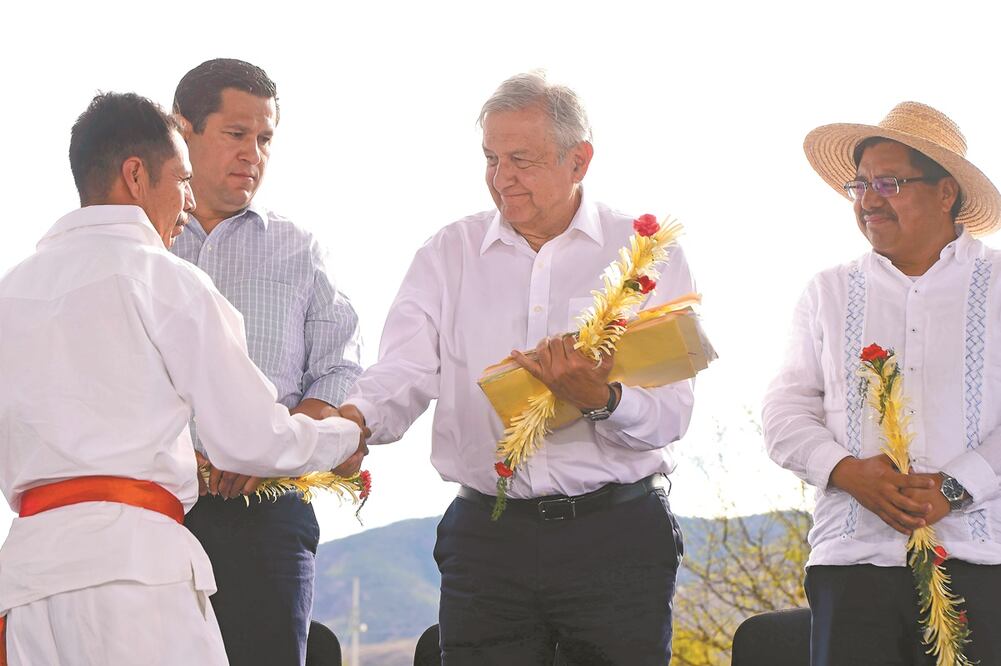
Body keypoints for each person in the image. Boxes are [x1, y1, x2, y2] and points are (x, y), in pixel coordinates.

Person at [340, 72, 693, 665]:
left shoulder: (645, 252)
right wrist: (354, 423)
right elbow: (401, 370)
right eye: (491, 158)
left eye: (521, 159)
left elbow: (671, 415)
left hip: (618, 539)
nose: (502, 178)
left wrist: (600, 397)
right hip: (487, 541)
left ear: (579, 161)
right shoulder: (446, 254)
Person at [0, 92, 363, 665]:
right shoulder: (168, 280)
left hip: (26, 583)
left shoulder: (9, 293)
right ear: (136, 176)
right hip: (135, 577)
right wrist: (343, 436)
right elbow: (250, 440)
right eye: (181, 179)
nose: (189, 200)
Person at [763, 102, 1001, 665]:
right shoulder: (827, 292)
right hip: (853, 564)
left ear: (946, 193)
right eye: (859, 184)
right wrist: (846, 472)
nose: (869, 200)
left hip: (982, 559)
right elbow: (784, 412)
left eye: (889, 183)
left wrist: (955, 487)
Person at [170, 58, 364, 666]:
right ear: (182, 131)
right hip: (156, 515)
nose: (253, 153)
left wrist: (271, 444)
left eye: (265, 138)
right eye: (236, 134)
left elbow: (338, 368)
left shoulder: (298, 248)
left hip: (269, 517)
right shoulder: (141, 249)